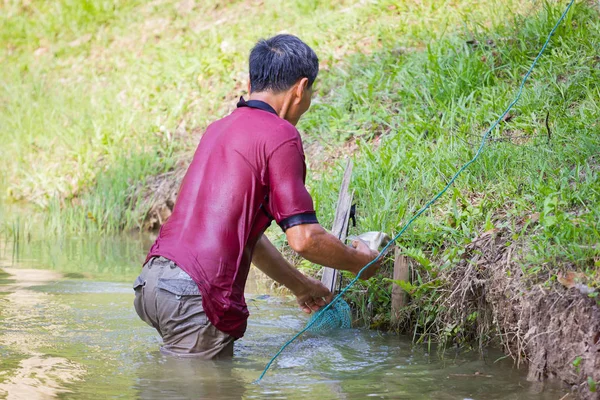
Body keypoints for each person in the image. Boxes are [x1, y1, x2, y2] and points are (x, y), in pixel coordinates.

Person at [133, 34, 380, 359]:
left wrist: (301, 285)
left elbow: (247, 237)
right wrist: (363, 261)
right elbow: (304, 238)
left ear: (251, 82)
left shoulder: (218, 129)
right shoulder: (279, 134)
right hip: (194, 294)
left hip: (153, 283)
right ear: (300, 89)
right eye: (309, 94)